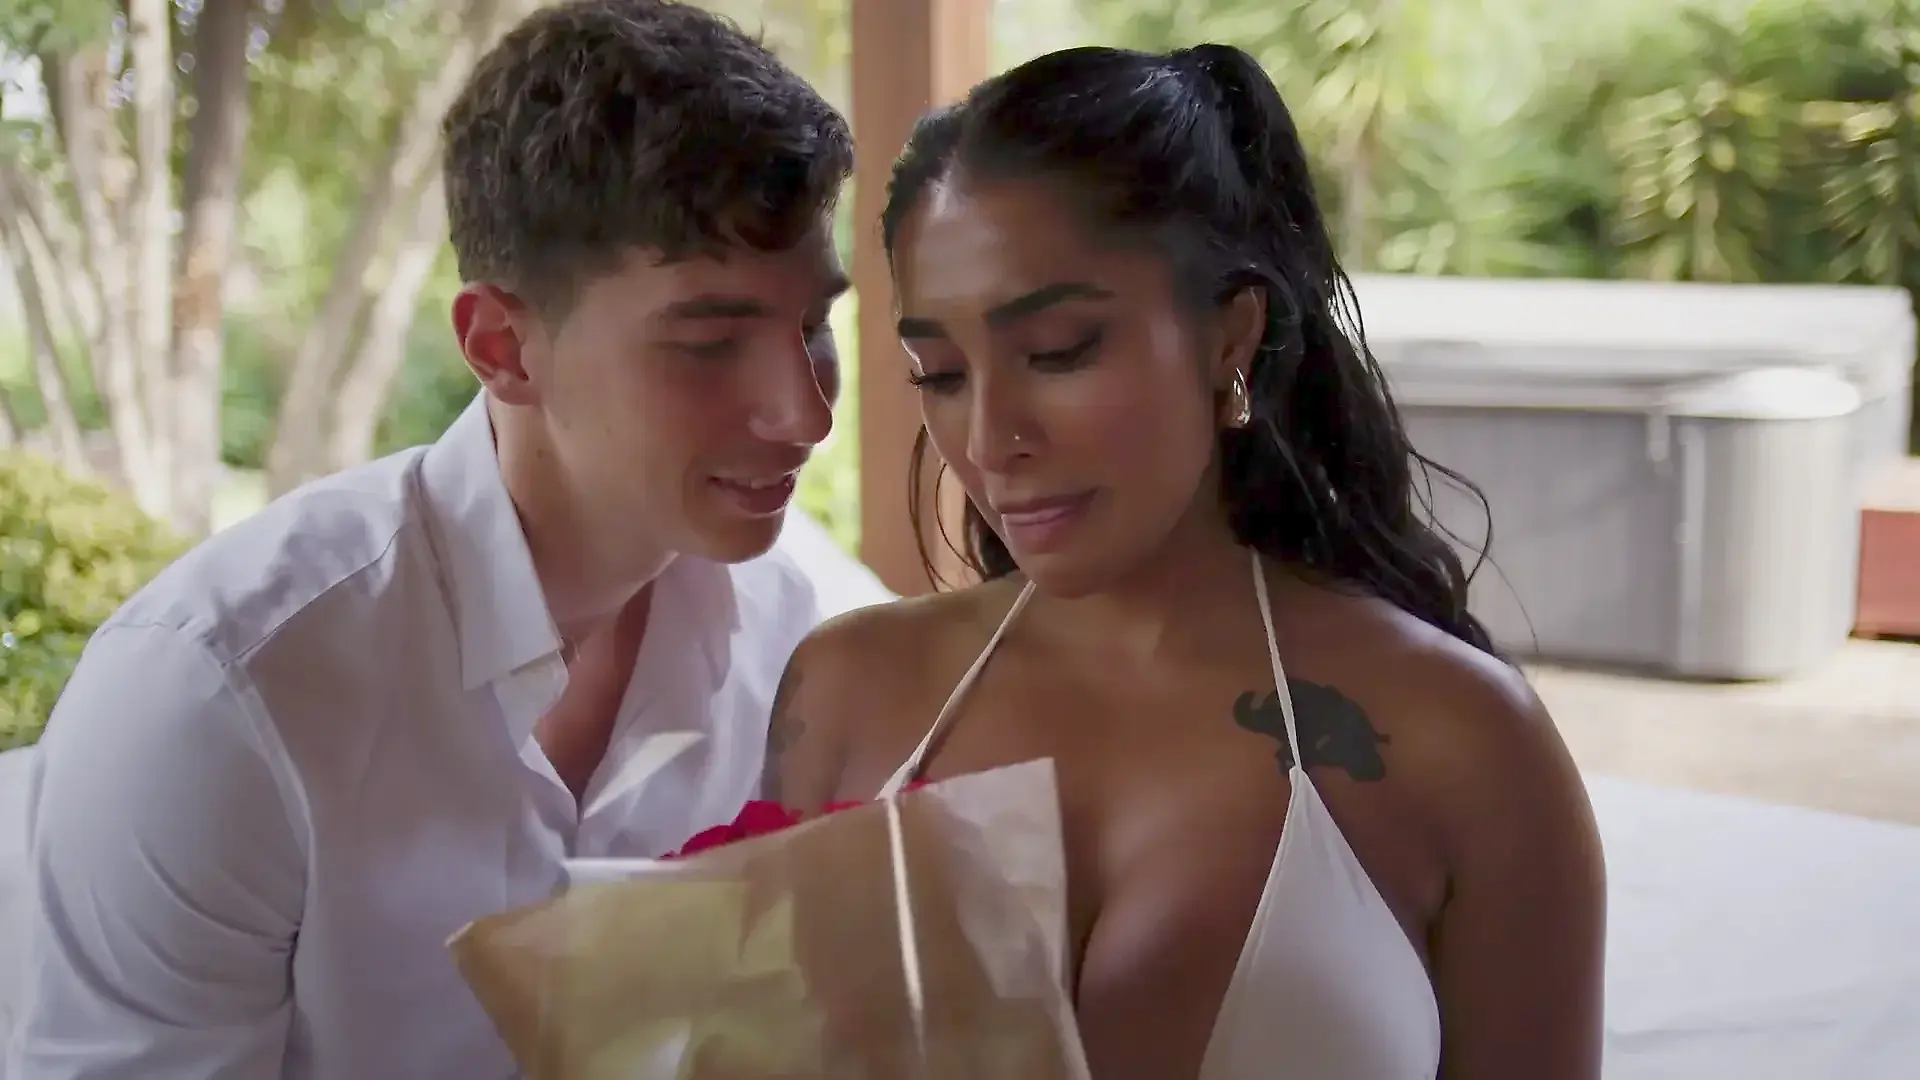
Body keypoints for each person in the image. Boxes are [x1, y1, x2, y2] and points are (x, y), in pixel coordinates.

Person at [5, 2, 861, 1077]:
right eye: (711, 343)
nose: (805, 413)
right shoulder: (223, 699)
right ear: (503, 347)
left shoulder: (814, 643)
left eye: (813, 326)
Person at [764, 43, 1607, 1080]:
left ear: (1229, 340)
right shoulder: (845, 696)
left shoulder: (1462, 742)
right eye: (938, 372)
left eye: (1059, 350)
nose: (988, 439)